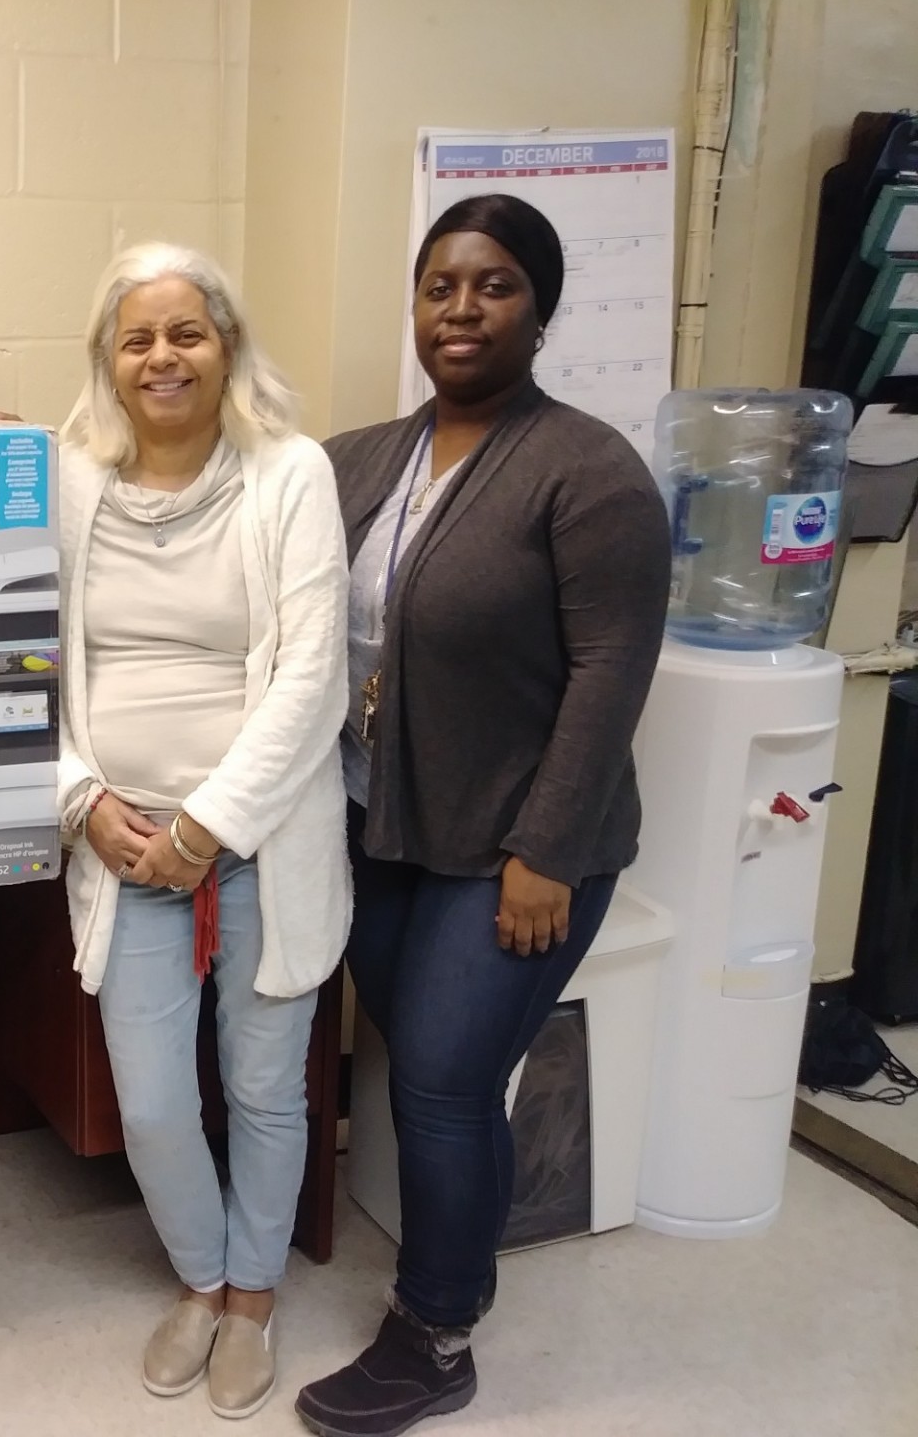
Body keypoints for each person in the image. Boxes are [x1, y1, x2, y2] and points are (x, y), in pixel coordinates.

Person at [293, 195, 670, 1437]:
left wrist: (545, 853)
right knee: (442, 1071)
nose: (461, 309)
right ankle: (475, 1254)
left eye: (495, 285)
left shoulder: (585, 469)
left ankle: (437, 1331)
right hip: (378, 826)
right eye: (441, 285)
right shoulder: (358, 459)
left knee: (446, 1082)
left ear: (541, 311)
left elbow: (612, 670)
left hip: (516, 848)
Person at [55, 243, 351, 1420]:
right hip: (118, 847)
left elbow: (313, 677)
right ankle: (200, 1276)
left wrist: (208, 827)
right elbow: (14, 667)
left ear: (227, 344)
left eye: (187, 333)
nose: (162, 357)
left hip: (262, 839)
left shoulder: (291, 474)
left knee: (268, 1086)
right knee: (153, 1099)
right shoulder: (65, 480)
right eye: (138, 338)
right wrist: (82, 799)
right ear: (107, 359)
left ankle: (254, 1299)